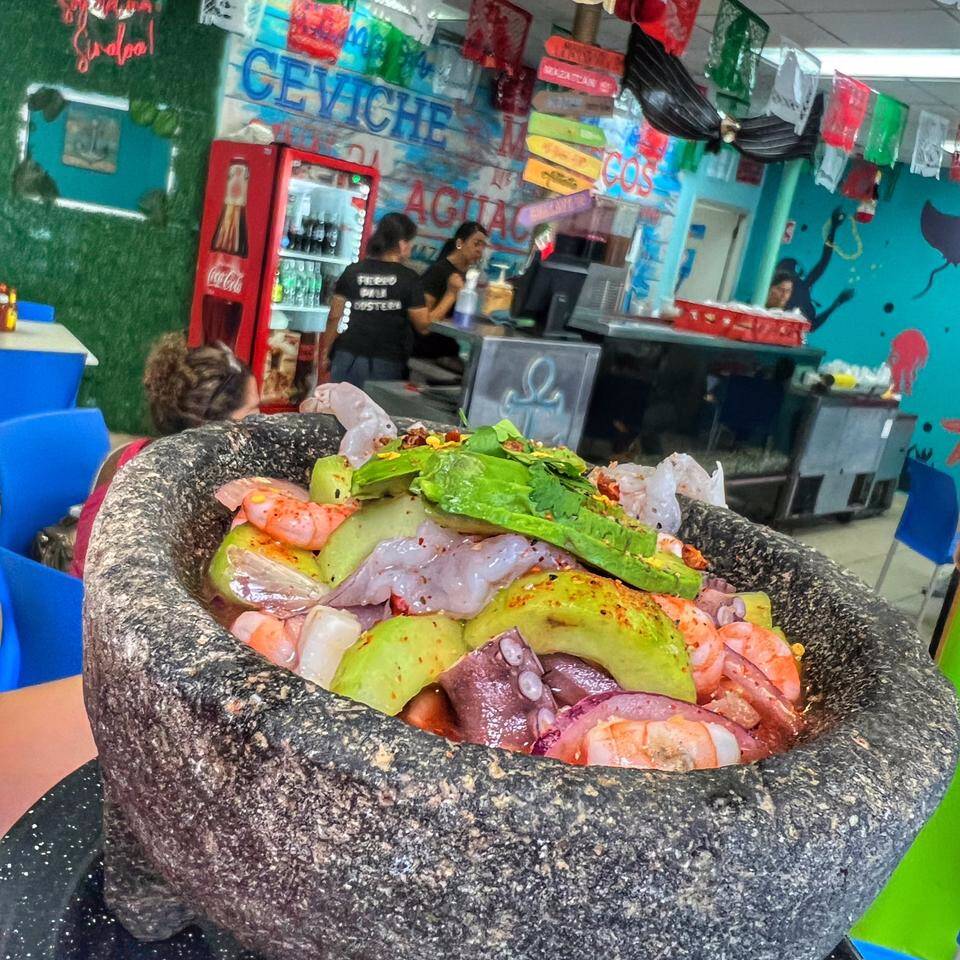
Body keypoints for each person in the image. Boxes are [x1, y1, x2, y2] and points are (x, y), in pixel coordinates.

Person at [70, 334, 260, 578]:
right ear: (214, 430)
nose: (262, 425)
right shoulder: (179, 504)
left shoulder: (137, 452)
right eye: (253, 416)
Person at [321, 212, 428, 388]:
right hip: (385, 361)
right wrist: (451, 294)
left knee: (340, 404)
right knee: (374, 407)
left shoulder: (353, 270)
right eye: (411, 242)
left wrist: (325, 352)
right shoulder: (410, 278)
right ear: (402, 244)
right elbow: (422, 325)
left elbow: (334, 315)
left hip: (347, 355)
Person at [421, 221, 489, 322]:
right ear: (459, 243)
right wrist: (452, 293)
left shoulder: (469, 276)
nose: (479, 250)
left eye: (483, 247)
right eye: (476, 244)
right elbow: (423, 322)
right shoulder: (437, 271)